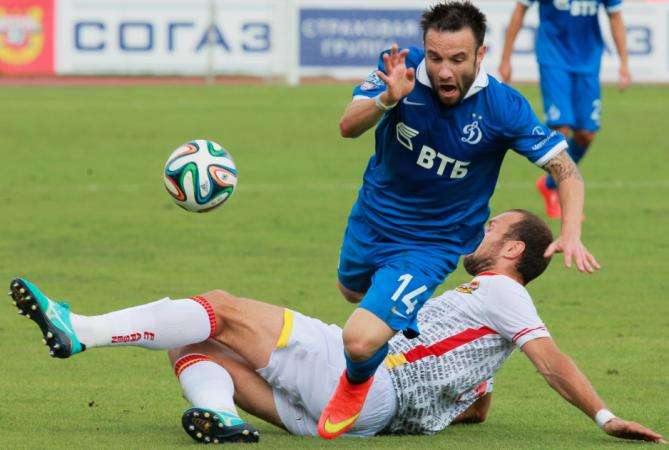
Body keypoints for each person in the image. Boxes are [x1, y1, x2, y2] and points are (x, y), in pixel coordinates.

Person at [9, 210, 664, 444]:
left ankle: (81, 329)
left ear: (513, 250)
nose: (480, 229)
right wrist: (459, 394)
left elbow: (548, 359)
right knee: (190, 339)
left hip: (367, 380)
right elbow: (479, 405)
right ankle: (224, 419)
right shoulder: (483, 312)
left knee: (219, 306)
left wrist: (603, 417)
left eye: (492, 227)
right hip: (352, 418)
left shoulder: (502, 291)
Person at [326, 1, 599, 438]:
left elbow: (565, 168)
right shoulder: (401, 69)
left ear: (480, 55)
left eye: (457, 59)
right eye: (435, 58)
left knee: (359, 340)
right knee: (349, 290)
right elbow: (347, 126)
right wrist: (386, 98)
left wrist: (571, 231)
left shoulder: (503, 107)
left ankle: (354, 385)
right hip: (373, 217)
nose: (444, 72)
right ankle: (405, 315)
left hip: (432, 244)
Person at [498, 0, 630, 218]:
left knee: (586, 134)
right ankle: (563, 192)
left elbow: (615, 16)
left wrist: (624, 62)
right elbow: (519, 11)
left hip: (588, 60)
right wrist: (505, 59)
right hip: (553, 57)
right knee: (562, 127)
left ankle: (549, 184)